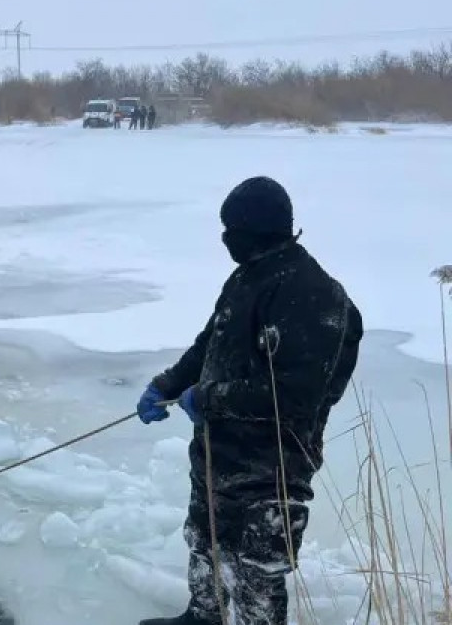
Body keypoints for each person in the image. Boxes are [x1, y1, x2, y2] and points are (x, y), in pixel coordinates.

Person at [134, 176, 363, 625]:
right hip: (219, 453)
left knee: (256, 570)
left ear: (256, 230)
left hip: (271, 465)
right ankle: (204, 616)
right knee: (205, 539)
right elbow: (210, 345)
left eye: (230, 231)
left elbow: (295, 394)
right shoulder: (249, 276)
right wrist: (167, 385)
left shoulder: (312, 294)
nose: (225, 241)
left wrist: (211, 398)